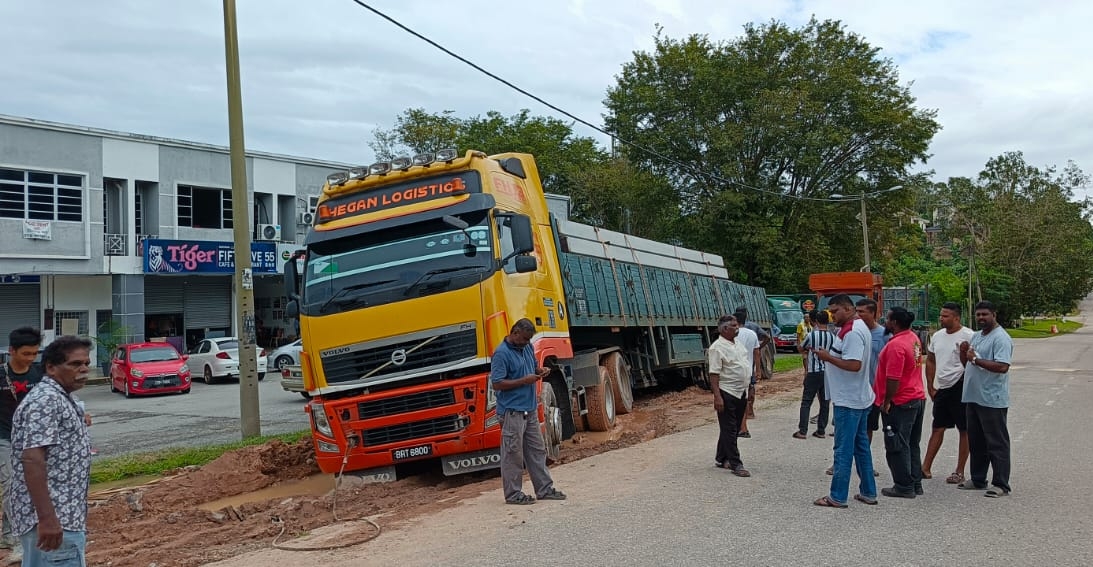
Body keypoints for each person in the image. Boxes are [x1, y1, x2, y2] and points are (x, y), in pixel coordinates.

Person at [9, 335, 93, 566]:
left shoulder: (61, 398)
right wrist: (47, 519)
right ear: (51, 367)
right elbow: (32, 458)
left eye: (86, 363)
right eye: (75, 364)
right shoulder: (46, 400)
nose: (84, 369)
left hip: (61, 517)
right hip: (54, 521)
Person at [489, 319, 566, 505]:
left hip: (529, 408)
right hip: (512, 411)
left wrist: (540, 370)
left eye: (528, 339)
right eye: (524, 338)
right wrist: (524, 380)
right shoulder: (501, 354)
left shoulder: (527, 348)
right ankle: (513, 494)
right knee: (513, 454)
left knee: (537, 451)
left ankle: (544, 489)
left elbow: (532, 367)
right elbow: (497, 383)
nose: (526, 342)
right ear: (514, 333)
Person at [811, 294, 877, 508]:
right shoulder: (856, 327)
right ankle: (868, 491)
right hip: (858, 396)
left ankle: (837, 495)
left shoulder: (853, 332)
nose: (832, 315)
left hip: (849, 400)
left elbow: (854, 364)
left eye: (835, 311)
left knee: (843, 449)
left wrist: (827, 357)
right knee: (861, 447)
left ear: (848, 309)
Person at [957, 301, 1014, 498]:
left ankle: (1001, 484)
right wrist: (964, 353)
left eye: (985, 315)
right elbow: (968, 363)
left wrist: (975, 359)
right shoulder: (976, 336)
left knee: (996, 442)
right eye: (978, 315)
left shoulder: (1001, 338)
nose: (981, 318)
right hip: (973, 396)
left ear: (994, 315)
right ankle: (978, 478)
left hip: (991, 398)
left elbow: (1002, 366)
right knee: (976, 441)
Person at [0, 327, 43, 563]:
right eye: (26, 354)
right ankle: (16, 540)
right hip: (3, 438)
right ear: (12, 351)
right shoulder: (1, 375)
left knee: (25, 486)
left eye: (34, 354)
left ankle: (7, 534)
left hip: (31, 440)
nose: (30, 359)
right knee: (12, 484)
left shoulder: (40, 374)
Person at [920, 302, 975, 484]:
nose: (941, 318)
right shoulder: (937, 336)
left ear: (956, 318)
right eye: (941, 315)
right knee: (937, 427)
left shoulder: (969, 335)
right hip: (942, 387)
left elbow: (975, 362)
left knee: (964, 429)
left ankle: (959, 470)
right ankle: (925, 467)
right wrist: (930, 384)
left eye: (946, 316)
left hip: (960, 385)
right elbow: (931, 360)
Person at [875, 307, 927, 498]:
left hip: (900, 401)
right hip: (916, 397)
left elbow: (893, 378)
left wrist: (887, 400)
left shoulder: (896, 346)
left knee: (896, 444)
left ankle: (904, 486)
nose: (885, 322)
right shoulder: (912, 338)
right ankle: (915, 482)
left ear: (894, 323)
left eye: (887, 319)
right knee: (912, 443)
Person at [707, 315, 752, 477]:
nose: (737, 328)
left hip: (741, 391)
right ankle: (736, 463)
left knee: (730, 427)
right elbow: (714, 374)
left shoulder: (737, 344)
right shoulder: (717, 348)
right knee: (731, 428)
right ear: (725, 329)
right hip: (727, 392)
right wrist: (717, 397)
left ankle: (721, 457)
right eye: (734, 326)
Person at [794, 310, 832, 439]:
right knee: (825, 402)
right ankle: (821, 430)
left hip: (813, 371)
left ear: (814, 321)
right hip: (827, 372)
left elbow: (801, 348)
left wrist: (799, 342)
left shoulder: (811, 335)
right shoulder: (833, 336)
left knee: (806, 402)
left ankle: (802, 431)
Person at [855, 298, 888, 443]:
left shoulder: (884, 335)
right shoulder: (853, 332)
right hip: (854, 389)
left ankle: (863, 461)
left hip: (873, 390)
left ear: (873, 313)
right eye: (857, 311)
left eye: (862, 312)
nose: (858, 315)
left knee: (867, 428)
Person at [733, 307, 768, 436]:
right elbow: (757, 352)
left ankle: (740, 427)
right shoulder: (752, 333)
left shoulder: (732, 334)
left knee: (734, 399)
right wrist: (757, 370)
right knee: (744, 398)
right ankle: (744, 425)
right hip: (747, 370)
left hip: (734, 371)